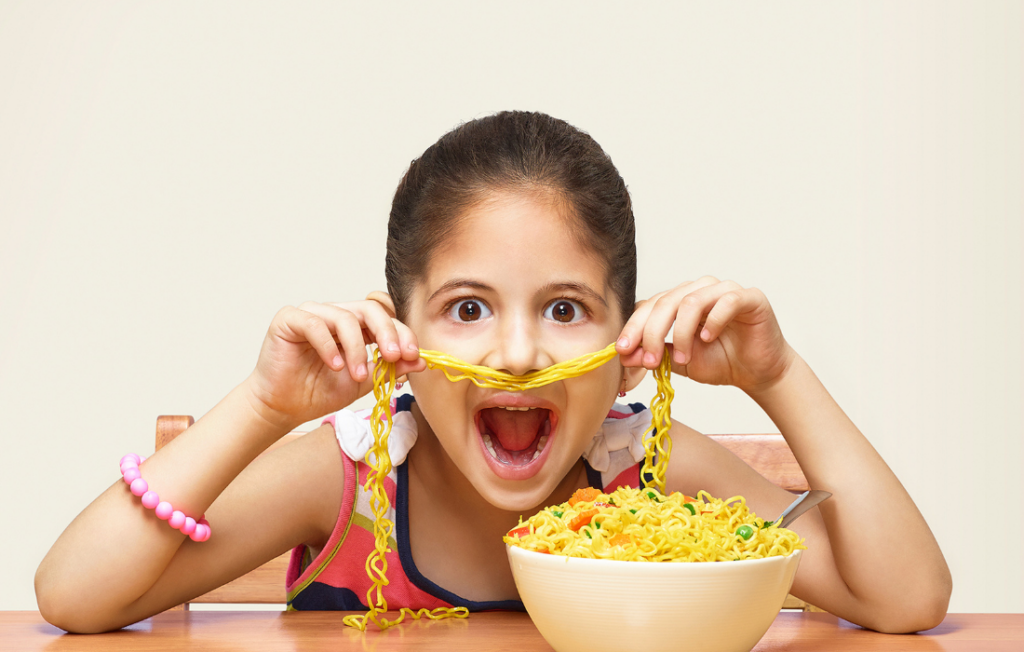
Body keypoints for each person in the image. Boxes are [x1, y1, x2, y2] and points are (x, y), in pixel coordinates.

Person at [35, 111, 951, 634]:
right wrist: (263, 406)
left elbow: (906, 599)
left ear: (627, 339)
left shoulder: (650, 473)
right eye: (467, 310)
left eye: (564, 310)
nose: (515, 355)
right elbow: (73, 599)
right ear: (399, 331)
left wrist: (778, 373)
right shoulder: (351, 471)